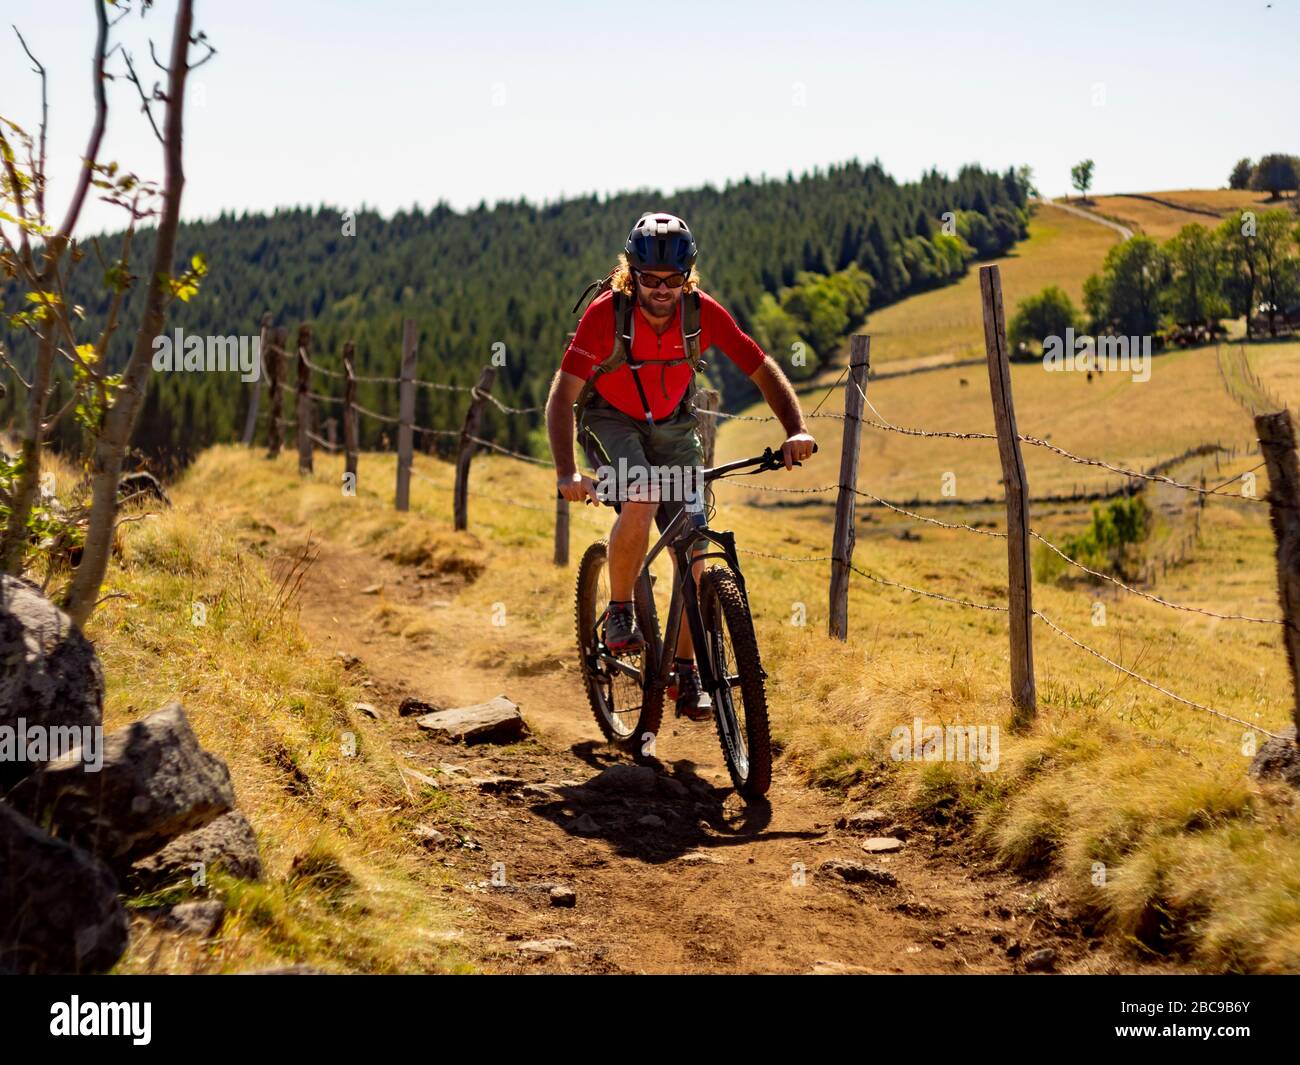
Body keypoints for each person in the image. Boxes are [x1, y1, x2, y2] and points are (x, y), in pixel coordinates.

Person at [546, 212, 815, 719]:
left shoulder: (702, 313)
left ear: (688, 275)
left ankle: (688, 673)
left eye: (672, 281)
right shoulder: (606, 315)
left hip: (673, 424)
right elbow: (562, 398)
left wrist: (795, 428)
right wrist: (566, 472)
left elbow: (761, 368)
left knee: (695, 544)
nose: (661, 291)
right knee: (644, 492)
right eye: (649, 280)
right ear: (632, 274)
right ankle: (621, 610)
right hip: (611, 420)